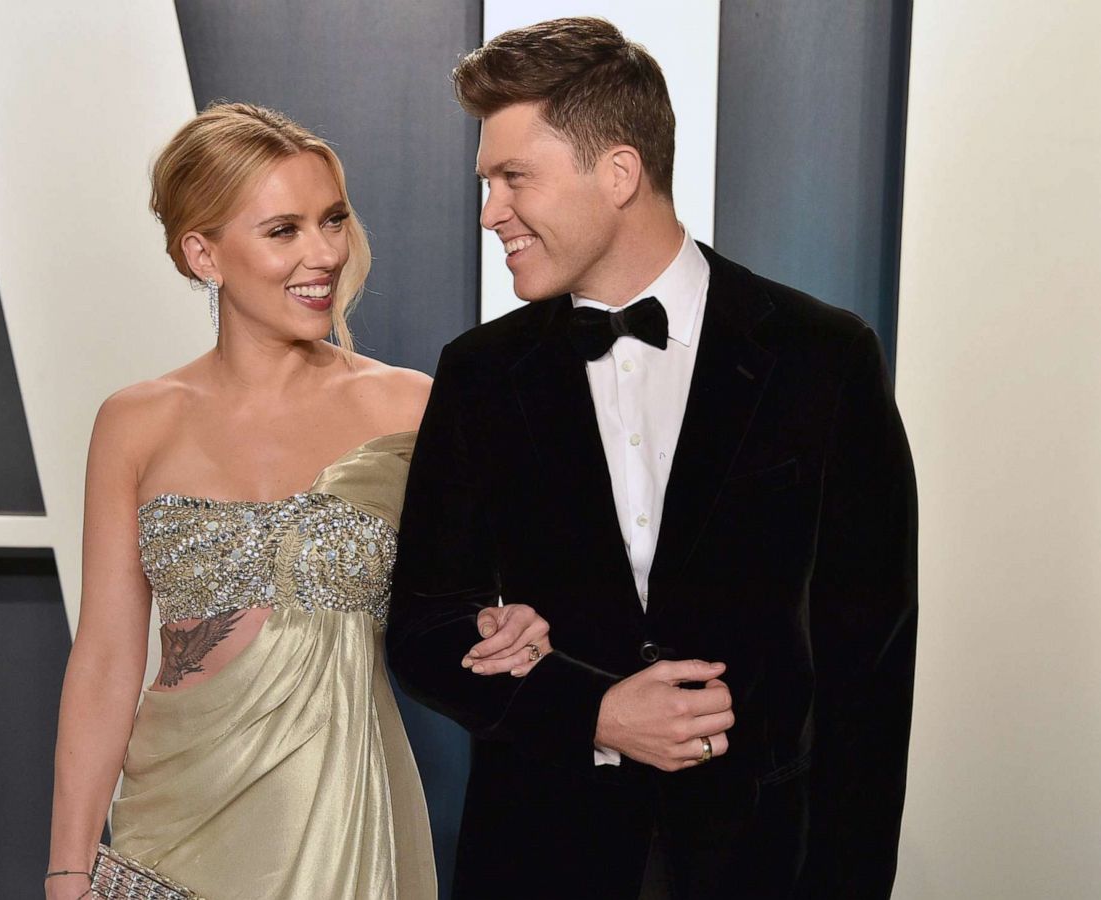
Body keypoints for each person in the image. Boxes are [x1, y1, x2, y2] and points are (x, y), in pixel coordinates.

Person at [387, 17, 917, 899]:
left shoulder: (825, 357)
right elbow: (423, 631)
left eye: (514, 178)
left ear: (620, 171)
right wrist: (591, 709)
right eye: (488, 183)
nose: (490, 212)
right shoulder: (480, 374)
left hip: (759, 866)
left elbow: (872, 662)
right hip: (538, 862)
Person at [45, 101, 436, 900]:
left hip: (342, 820)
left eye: (332, 219)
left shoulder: (411, 409)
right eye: (283, 230)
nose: (324, 252)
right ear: (204, 253)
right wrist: (66, 868)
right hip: (171, 823)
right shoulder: (136, 421)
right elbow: (108, 658)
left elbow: (474, 604)